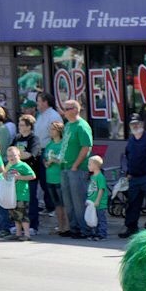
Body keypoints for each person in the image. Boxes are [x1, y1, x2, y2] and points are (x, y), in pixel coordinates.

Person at [58, 99, 93, 239]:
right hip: (65, 167)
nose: (64, 111)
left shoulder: (82, 126)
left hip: (77, 169)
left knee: (79, 201)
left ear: (75, 110)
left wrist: (75, 165)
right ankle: (74, 228)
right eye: (64, 108)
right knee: (68, 201)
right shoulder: (67, 125)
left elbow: (86, 147)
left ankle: (84, 229)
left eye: (67, 109)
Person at [0, 146, 35, 241]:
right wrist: (5, 175)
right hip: (12, 195)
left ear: (19, 155)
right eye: (9, 156)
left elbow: (32, 176)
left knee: (23, 215)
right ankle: (18, 233)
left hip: (22, 195)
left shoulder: (23, 165)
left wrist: (20, 177)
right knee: (15, 215)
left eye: (14, 155)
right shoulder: (11, 166)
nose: (11, 157)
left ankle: (27, 235)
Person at [34, 92, 62, 214]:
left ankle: (55, 207)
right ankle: (49, 205)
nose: (37, 104)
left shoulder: (53, 116)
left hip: (49, 150)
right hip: (39, 151)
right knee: (43, 180)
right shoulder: (41, 115)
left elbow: (57, 135)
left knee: (49, 180)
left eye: (38, 101)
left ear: (45, 102)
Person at [13, 114, 41, 234]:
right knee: (18, 201)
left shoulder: (33, 139)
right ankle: (19, 225)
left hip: (30, 175)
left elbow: (31, 154)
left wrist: (17, 155)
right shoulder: (17, 138)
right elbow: (10, 152)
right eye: (19, 124)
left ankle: (32, 226)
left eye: (22, 125)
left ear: (29, 127)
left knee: (31, 200)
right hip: (16, 176)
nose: (19, 127)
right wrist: (19, 154)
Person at [43, 121, 69, 236]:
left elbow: (65, 160)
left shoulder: (63, 144)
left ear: (59, 131)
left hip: (60, 178)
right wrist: (46, 163)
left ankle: (67, 226)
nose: (50, 131)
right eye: (50, 129)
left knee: (64, 204)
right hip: (50, 177)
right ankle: (61, 226)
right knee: (57, 205)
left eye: (53, 129)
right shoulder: (50, 144)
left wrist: (55, 160)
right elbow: (44, 157)